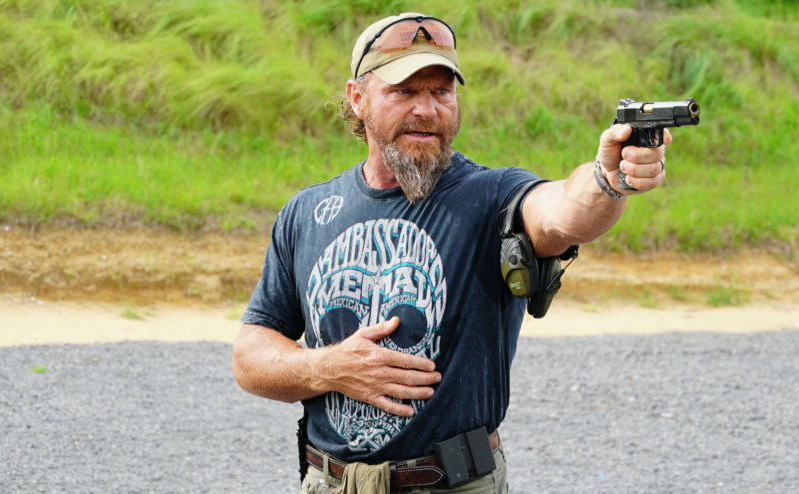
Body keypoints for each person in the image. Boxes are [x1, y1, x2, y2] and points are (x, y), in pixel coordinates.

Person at [232, 12, 671, 494]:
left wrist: (609, 178)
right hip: (331, 484)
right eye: (404, 91)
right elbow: (251, 355)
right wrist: (328, 367)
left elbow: (563, 212)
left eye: (441, 91)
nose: (426, 109)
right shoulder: (307, 212)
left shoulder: (491, 197)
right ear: (358, 99)